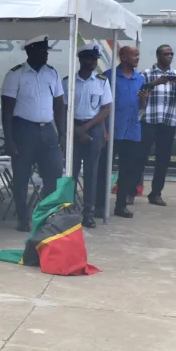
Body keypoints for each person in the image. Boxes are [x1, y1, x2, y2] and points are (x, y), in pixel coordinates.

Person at [1, 35, 68, 232]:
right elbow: (7, 111)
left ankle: (48, 217)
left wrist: (62, 133)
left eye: (46, 51)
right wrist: (9, 140)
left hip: (48, 130)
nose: (46, 54)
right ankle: (23, 219)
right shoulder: (15, 74)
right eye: (42, 51)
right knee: (21, 177)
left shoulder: (52, 73)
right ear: (30, 52)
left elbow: (59, 106)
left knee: (55, 173)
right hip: (24, 130)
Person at [63, 44, 113, 229]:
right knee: (71, 173)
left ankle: (88, 214)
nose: (93, 62)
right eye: (89, 59)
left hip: (92, 128)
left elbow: (105, 109)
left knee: (91, 173)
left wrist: (86, 128)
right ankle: (68, 212)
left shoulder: (101, 81)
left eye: (95, 59)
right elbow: (63, 108)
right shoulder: (68, 81)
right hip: (73, 127)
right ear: (81, 59)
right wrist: (76, 130)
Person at [102, 46, 149, 219]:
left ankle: (120, 205)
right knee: (103, 169)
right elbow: (102, 106)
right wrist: (104, 130)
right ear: (123, 57)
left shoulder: (140, 78)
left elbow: (142, 107)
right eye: (134, 55)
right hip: (112, 131)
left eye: (138, 54)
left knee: (127, 171)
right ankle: (99, 205)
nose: (137, 58)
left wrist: (144, 99)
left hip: (132, 131)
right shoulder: (109, 77)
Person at [139, 44, 176, 206]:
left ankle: (156, 193)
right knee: (140, 157)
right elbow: (139, 94)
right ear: (158, 56)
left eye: (171, 54)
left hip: (168, 121)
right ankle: (132, 190)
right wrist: (155, 83)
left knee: (163, 160)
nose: (170, 56)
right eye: (166, 54)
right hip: (149, 120)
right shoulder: (146, 74)